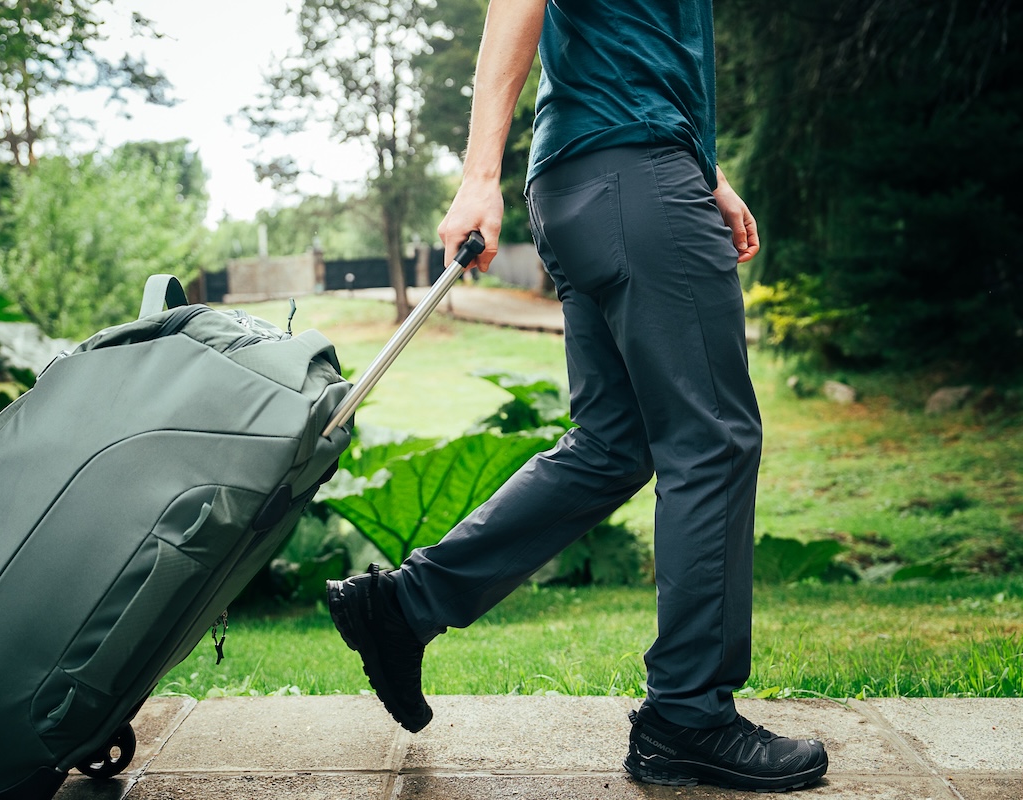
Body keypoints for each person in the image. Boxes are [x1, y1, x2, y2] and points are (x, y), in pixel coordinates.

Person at [326, 0, 829, 792]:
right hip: (636, 176)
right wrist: (477, 176)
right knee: (714, 441)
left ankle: (404, 608)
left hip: (587, 179)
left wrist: (711, 175)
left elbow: (641, 48)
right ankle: (688, 717)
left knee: (612, 446)